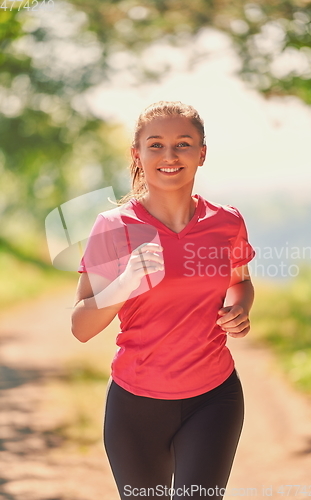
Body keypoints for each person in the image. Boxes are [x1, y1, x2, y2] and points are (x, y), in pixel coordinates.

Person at [71, 101, 255, 500]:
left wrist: (240, 308)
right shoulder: (114, 226)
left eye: (183, 144)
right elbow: (80, 327)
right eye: (155, 145)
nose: (169, 156)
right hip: (136, 406)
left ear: (202, 153)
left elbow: (241, 282)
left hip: (215, 397)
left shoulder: (227, 222)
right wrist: (125, 283)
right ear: (137, 154)